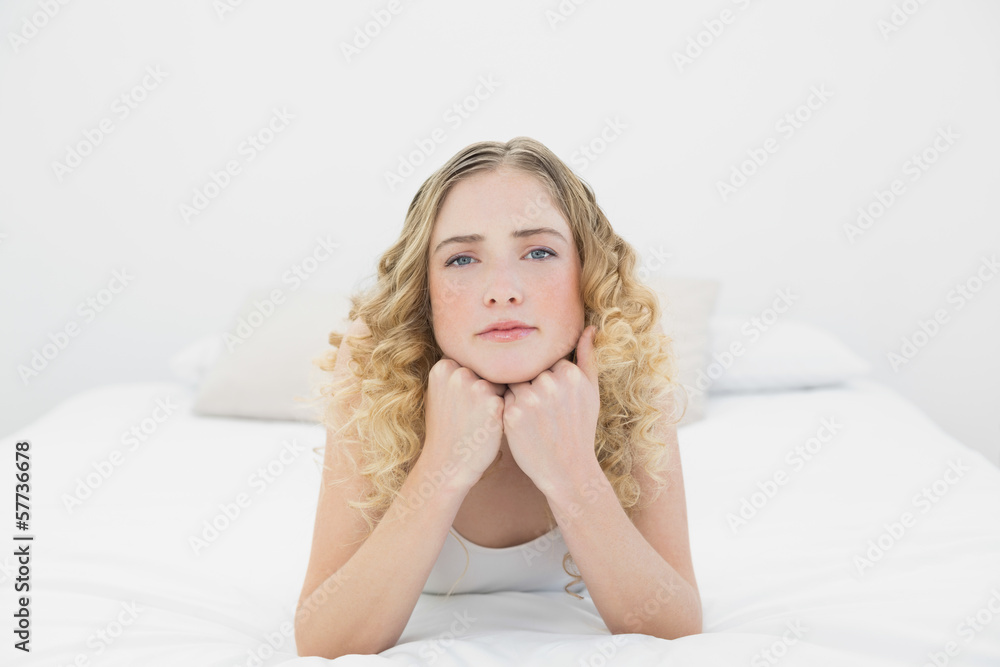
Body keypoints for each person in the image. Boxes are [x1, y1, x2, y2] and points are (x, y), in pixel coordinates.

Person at [294, 137, 701, 659]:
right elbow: (324, 643)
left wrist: (571, 470)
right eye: (462, 259)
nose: (503, 290)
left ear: (588, 273)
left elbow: (676, 632)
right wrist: (443, 465)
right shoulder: (375, 367)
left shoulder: (628, 365)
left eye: (539, 252)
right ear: (425, 289)